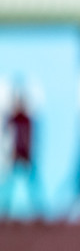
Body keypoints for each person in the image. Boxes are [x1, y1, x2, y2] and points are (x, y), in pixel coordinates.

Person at [3, 89, 42, 219]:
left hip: (25, 154)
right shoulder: (14, 119)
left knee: (32, 183)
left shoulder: (27, 120)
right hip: (16, 154)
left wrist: (28, 152)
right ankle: (6, 209)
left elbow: (29, 137)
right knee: (10, 183)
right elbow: (7, 132)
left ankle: (37, 209)